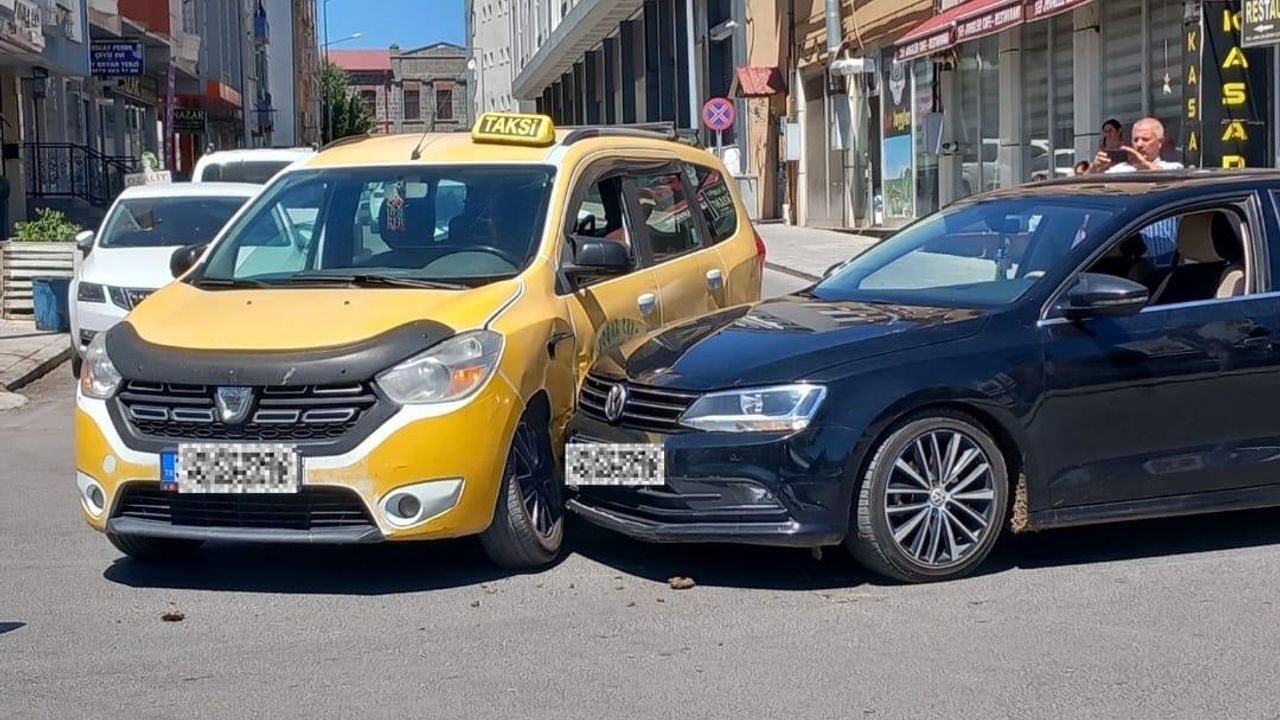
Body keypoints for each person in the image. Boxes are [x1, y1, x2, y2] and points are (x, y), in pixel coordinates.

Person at [1087, 117, 1183, 175]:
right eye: (1136, 140)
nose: (1139, 144)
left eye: (1145, 139)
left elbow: (1168, 181)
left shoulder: (1173, 168)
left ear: (1160, 142)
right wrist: (1094, 168)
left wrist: (1144, 164)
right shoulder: (1121, 170)